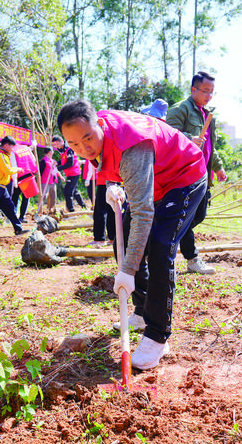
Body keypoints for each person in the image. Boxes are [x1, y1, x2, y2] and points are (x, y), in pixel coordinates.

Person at [57, 99, 207, 370]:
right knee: (122, 237)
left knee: (162, 245)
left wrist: (127, 269)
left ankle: (158, 335)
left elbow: (144, 213)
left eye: (88, 139)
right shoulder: (91, 134)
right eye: (75, 145)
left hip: (183, 178)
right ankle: (142, 310)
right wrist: (113, 185)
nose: (84, 148)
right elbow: (103, 160)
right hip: (154, 184)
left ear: (99, 124)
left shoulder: (131, 147)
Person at [165, 71, 227, 275]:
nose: (209, 95)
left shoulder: (207, 113)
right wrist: (189, 138)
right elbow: (168, 136)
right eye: (205, 91)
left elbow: (210, 145)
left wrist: (218, 167)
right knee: (186, 216)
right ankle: (191, 258)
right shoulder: (180, 109)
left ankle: (162, 241)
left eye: (212, 92)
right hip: (185, 175)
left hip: (203, 175)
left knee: (197, 215)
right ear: (194, 89)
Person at [52, 134, 87, 212]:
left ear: (61, 141)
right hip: (71, 174)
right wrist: (57, 163)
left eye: (57, 144)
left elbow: (70, 163)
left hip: (74, 173)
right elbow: (64, 160)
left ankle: (71, 211)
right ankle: (84, 206)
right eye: (55, 145)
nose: (56, 146)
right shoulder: (63, 151)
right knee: (75, 192)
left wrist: (57, 169)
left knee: (68, 192)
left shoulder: (69, 150)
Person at [11, 142, 39, 223]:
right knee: (26, 196)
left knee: (15, 196)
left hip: (20, 175)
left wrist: (15, 180)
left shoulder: (13, 150)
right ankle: (22, 217)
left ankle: (13, 216)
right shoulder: (26, 148)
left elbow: (14, 165)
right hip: (29, 174)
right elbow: (33, 159)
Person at [39, 147, 62, 215]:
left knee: (53, 196)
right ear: (49, 152)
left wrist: (61, 177)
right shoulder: (43, 161)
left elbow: (56, 170)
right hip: (45, 181)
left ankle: (51, 210)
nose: (53, 153)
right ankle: (40, 210)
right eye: (52, 151)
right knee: (44, 196)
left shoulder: (53, 161)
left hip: (53, 181)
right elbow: (40, 171)